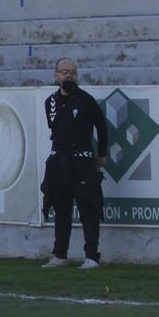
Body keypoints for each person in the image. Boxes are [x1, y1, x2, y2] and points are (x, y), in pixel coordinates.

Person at [40, 58, 107, 269]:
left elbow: (102, 126)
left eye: (72, 72)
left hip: (83, 162)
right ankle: (60, 254)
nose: (68, 75)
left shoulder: (86, 100)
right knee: (61, 209)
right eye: (64, 72)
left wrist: (102, 154)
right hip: (59, 162)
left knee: (88, 209)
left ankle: (91, 256)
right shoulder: (49, 102)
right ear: (56, 75)